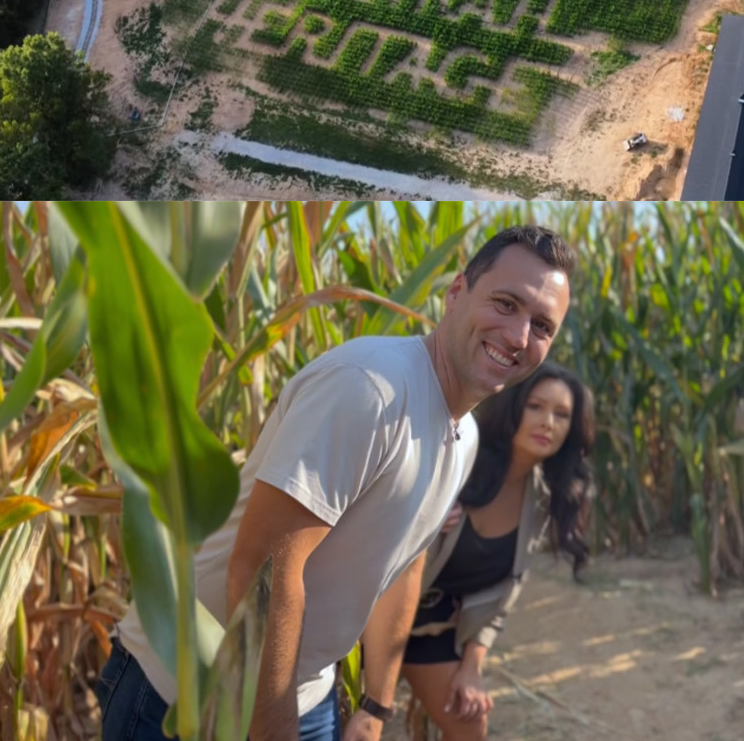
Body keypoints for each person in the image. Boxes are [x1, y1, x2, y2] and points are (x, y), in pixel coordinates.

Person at [98, 226, 576, 741]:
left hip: (301, 693)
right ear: (456, 292)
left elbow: (404, 561)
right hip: (184, 692)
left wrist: (376, 703)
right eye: (506, 304)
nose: (519, 336)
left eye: (542, 326)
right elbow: (263, 575)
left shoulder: (465, 438)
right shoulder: (369, 390)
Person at [380, 362, 595, 741]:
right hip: (377, 616)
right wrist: (424, 515)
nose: (548, 422)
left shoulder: (541, 502)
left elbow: (501, 600)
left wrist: (471, 667)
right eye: (536, 407)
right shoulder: (458, 457)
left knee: (470, 724)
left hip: (429, 630)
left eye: (562, 415)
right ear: (514, 407)